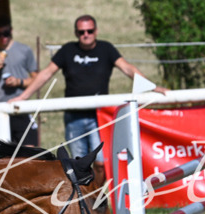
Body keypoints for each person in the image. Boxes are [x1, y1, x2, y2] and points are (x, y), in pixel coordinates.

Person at [11, 14, 168, 183]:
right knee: (79, 164)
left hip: (100, 117)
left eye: (89, 31)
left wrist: (152, 87)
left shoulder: (106, 49)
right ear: (76, 33)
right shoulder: (67, 50)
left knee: (101, 163)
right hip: (74, 117)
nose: (86, 34)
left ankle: (98, 199)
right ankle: (86, 201)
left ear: (96, 31)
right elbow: (46, 74)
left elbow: (128, 69)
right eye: (81, 32)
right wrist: (23, 96)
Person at [0, 17, 39, 145]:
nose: (2, 38)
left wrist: (19, 82)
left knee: (29, 154)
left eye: (6, 33)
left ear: (11, 31)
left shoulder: (24, 50)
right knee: (0, 158)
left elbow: (37, 79)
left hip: (20, 108)